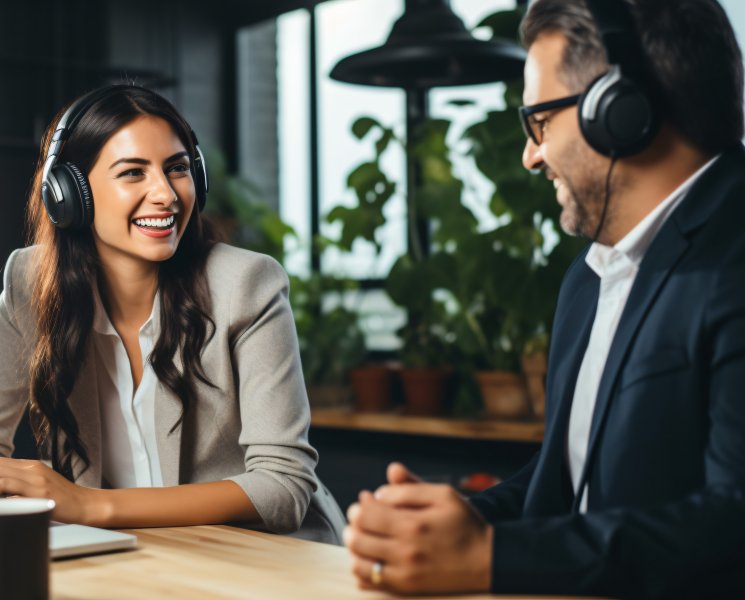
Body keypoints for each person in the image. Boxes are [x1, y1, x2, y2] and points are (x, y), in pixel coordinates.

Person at [344, 0, 745, 596]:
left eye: (539, 122)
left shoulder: (731, 255)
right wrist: (461, 523)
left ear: (620, 107)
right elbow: (567, 479)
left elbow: (732, 522)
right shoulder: (590, 277)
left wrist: (491, 557)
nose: (531, 154)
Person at [0, 84, 345, 544]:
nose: (165, 194)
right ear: (69, 194)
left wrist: (89, 505)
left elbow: (283, 487)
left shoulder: (245, 284)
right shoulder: (31, 284)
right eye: (133, 173)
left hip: (262, 556)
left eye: (177, 168)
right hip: (127, 555)